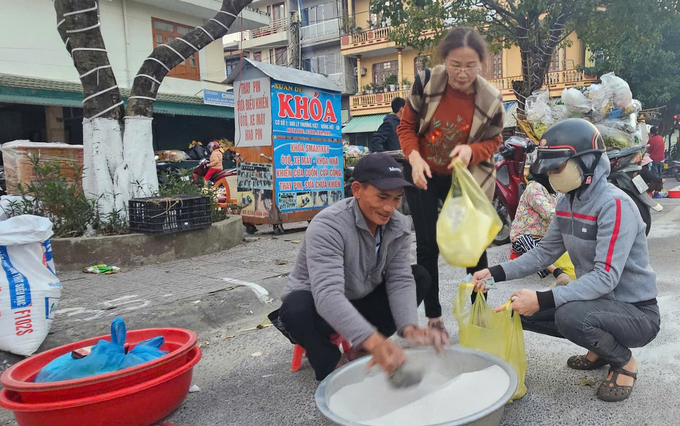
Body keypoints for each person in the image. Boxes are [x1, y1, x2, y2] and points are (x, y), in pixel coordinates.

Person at [473, 119, 660, 402]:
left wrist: (543, 298)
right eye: (548, 168)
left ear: (586, 162)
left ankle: (624, 361)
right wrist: (493, 273)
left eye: (557, 167)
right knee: (515, 310)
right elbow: (542, 253)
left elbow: (606, 277)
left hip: (636, 312)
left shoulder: (614, 205)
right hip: (600, 302)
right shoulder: (566, 202)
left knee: (568, 315)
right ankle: (600, 349)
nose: (550, 174)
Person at [269, 153, 449, 381]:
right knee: (296, 308)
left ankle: (360, 351)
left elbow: (400, 279)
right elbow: (327, 295)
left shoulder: (398, 225)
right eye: (382, 197)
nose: (389, 208)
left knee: (419, 276)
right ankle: (333, 367)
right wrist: (374, 339)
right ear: (357, 190)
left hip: (360, 300)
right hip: (319, 309)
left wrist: (410, 329)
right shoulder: (328, 225)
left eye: (396, 199)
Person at [397, 27, 505, 334]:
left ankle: (481, 311)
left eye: (470, 65)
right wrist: (415, 159)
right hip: (424, 174)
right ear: (445, 60)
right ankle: (434, 317)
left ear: (481, 63)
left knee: (476, 244)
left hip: (465, 177)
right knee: (428, 245)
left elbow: (495, 141)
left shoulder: (490, 99)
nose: (462, 72)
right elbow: (406, 128)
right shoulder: (426, 83)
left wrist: (471, 150)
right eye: (456, 64)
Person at [510, 174, 572, 287]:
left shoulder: (555, 191)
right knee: (530, 244)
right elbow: (550, 213)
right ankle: (558, 273)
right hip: (523, 235)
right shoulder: (534, 188)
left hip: (545, 238)